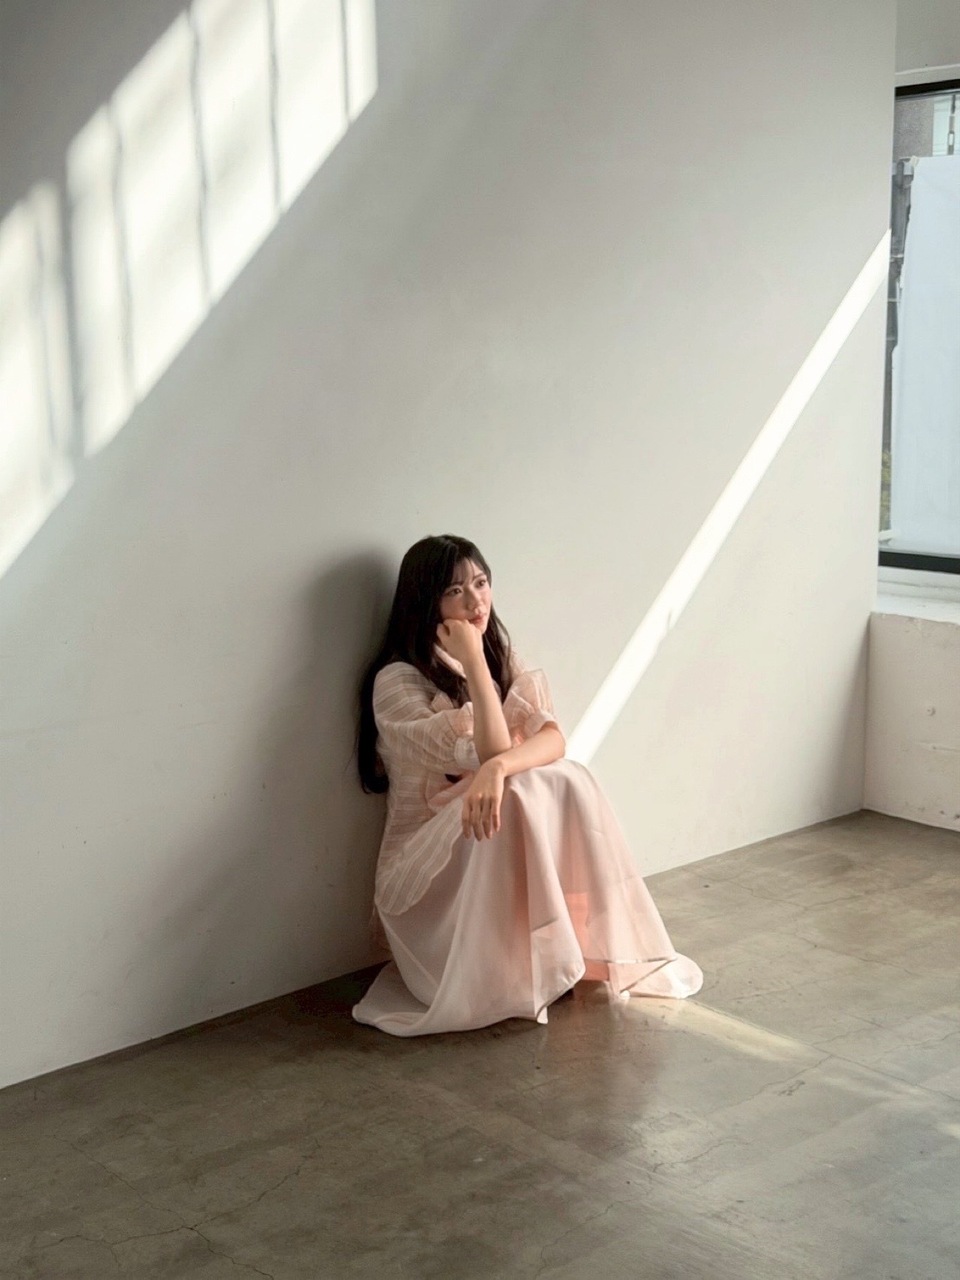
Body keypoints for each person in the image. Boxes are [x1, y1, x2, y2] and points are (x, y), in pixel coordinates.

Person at [352, 534, 702, 1036]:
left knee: (567, 776)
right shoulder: (397, 682)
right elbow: (493, 749)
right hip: (430, 879)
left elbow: (553, 740)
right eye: (455, 591)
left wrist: (495, 771)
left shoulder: (500, 656)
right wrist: (474, 664)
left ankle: (586, 950)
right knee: (520, 790)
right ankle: (511, 965)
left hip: (484, 834)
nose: (475, 602)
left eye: (481, 583)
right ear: (425, 602)